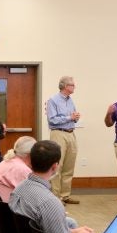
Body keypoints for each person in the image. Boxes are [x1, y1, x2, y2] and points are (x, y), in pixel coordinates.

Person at [47, 76, 81, 204]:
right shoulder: (53, 100)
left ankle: (65, 195)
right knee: (58, 165)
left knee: (69, 166)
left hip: (71, 133)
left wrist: (75, 117)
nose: (74, 87)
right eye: (72, 85)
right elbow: (52, 119)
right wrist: (69, 117)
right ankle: (55, 197)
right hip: (58, 133)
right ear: (65, 86)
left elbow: (72, 116)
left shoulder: (70, 100)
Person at [0, 136, 36, 202]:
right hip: (7, 209)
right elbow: (35, 197)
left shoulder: (7, 161)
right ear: (30, 154)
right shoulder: (21, 169)